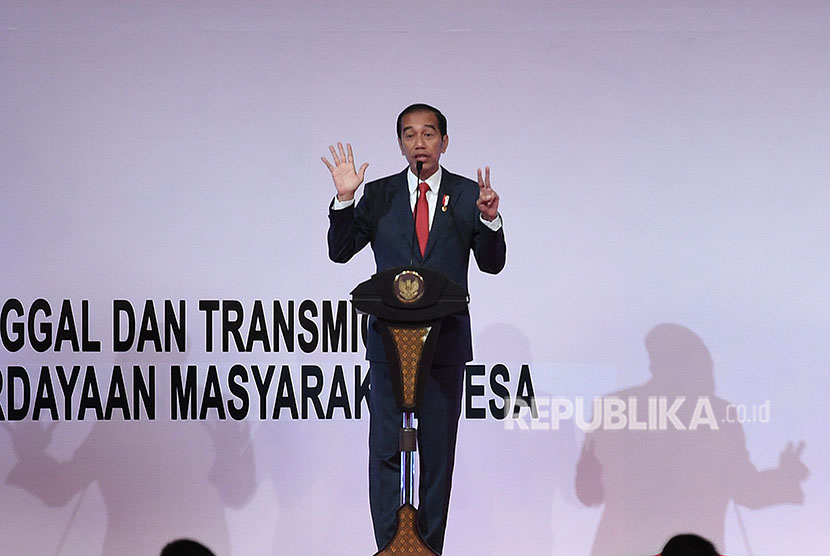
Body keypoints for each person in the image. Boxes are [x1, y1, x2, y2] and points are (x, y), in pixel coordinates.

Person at [323, 103, 506, 554]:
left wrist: (489, 220)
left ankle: (428, 547)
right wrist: (346, 200)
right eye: (409, 135)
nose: (418, 143)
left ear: (444, 142)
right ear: (400, 144)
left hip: (443, 345)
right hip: (389, 345)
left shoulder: (467, 195)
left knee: (437, 455)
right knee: (385, 449)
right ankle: (390, 546)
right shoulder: (381, 193)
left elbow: (492, 264)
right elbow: (340, 251)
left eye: (428, 135)